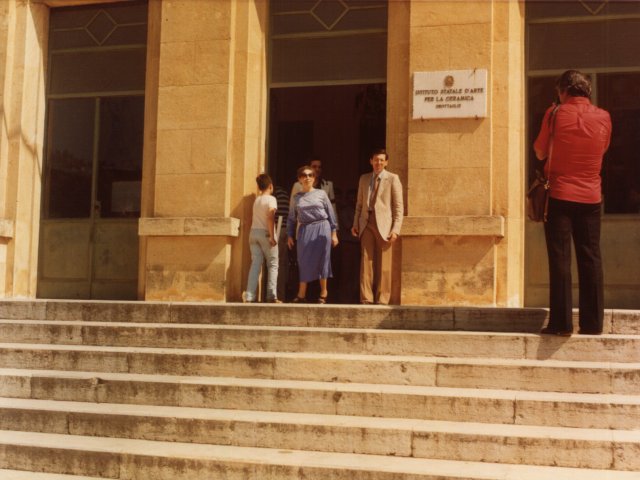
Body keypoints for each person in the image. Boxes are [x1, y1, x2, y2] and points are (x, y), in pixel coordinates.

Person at [534, 70, 612, 336]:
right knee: (591, 257)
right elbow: (602, 149)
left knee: (560, 258)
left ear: (564, 90)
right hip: (591, 195)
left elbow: (540, 151)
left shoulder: (554, 113)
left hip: (559, 194)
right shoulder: (604, 116)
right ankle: (592, 324)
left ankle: (561, 323)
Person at [351, 149, 403, 305]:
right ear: (371, 161)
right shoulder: (364, 179)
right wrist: (355, 224)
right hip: (366, 222)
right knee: (366, 262)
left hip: (385, 225)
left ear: (386, 162)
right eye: (375, 160)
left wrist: (395, 229)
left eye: (381, 160)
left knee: (384, 264)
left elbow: (398, 207)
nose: (378, 163)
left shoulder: (393, 179)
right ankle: (366, 298)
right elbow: (359, 205)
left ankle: (382, 299)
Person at [287, 165, 339, 303]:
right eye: (304, 175)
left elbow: (330, 213)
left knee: (323, 260)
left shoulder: (321, 194)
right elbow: (292, 217)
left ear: (314, 178)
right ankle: (301, 294)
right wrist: (289, 235)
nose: (308, 177)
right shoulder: (296, 197)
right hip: (305, 229)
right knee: (303, 261)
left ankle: (323, 292)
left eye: (310, 175)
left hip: (322, 227)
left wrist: (334, 233)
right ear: (299, 179)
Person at [243, 173, 280, 303]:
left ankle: (249, 296)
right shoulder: (271, 199)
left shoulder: (257, 200)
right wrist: (271, 235)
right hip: (265, 232)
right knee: (273, 264)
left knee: (255, 265)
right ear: (271, 186)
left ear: (259, 187)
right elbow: (270, 217)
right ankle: (271, 295)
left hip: (253, 233)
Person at [273, 184, 291, 301]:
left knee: (275, 264)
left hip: (278, 230)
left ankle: (277, 295)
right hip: (286, 230)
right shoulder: (285, 195)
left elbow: (273, 216)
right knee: (282, 264)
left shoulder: (275, 195)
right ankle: (281, 295)